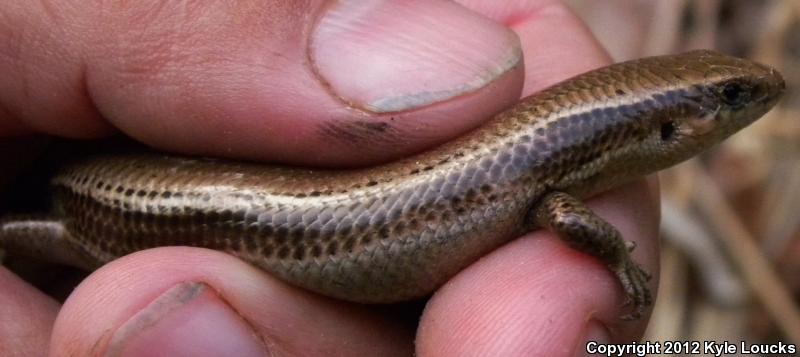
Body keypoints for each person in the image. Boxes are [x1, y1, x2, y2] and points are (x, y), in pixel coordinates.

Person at [0, 1, 659, 355]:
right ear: (660, 125)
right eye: (731, 98)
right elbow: (567, 219)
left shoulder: (554, 161)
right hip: (92, 206)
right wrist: (618, 264)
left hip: (304, 224)